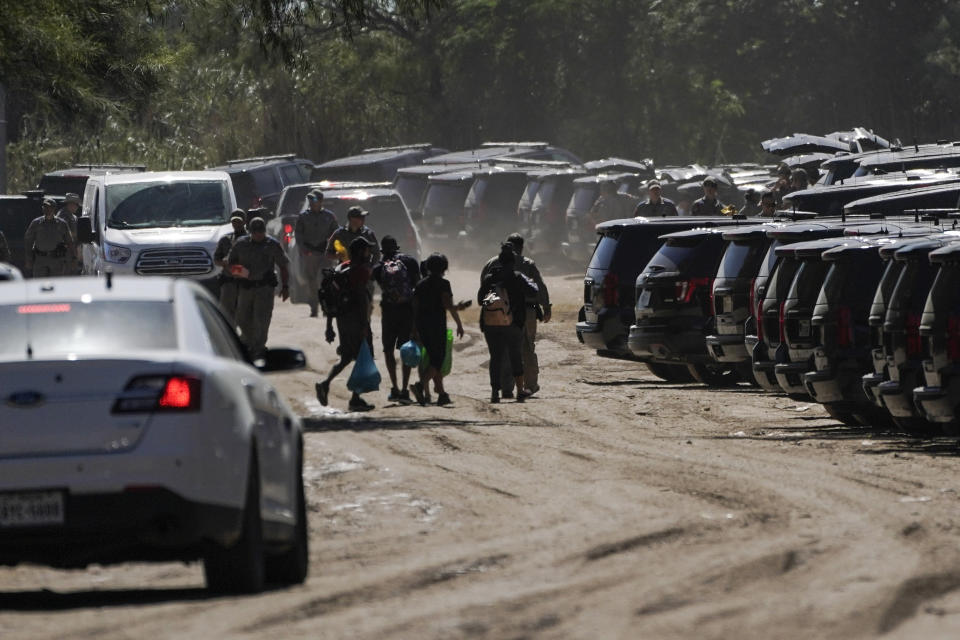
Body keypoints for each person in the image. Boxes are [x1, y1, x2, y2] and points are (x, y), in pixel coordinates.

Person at [480, 234, 551, 397]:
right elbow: (538, 287)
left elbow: (482, 292)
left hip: (497, 314)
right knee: (526, 348)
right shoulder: (526, 265)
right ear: (520, 248)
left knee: (501, 352)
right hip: (525, 313)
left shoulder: (490, 265)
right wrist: (546, 306)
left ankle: (505, 388)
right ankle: (530, 385)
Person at [316, 236, 378, 412]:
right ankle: (355, 398)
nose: (369, 253)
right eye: (367, 250)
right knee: (363, 357)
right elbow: (361, 299)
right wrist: (365, 324)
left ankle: (326, 385)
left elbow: (332, 297)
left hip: (342, 319)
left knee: (347, 357)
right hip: (356, 320)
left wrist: (329, 325)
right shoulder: (360, 271)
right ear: (360, 251)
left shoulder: (342, 267)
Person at [227, 217, 289, 360]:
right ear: (250, 232)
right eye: (255, 232)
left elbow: (283, 266)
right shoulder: (241, 244)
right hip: (246, 288)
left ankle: (259, 348)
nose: (258, 235)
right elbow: (230, 264)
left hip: (264, 288)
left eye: (260, 232)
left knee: (262, 319)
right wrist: (241, 272)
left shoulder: (272, 244)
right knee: (242, 319)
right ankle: (249, 343)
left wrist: (285, 286)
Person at [410, 253, 464, 407]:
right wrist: (459, 321)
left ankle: (441, 394)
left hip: (422, 326)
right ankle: (420, 386)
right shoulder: (444, 284)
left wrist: (414, 329)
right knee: (437, 359)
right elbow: (447, 304)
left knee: (433, 359)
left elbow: (415, 308)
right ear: (444, 268)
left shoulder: (420, 284)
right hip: (437, 326)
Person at [371, 235, 421, 404]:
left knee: (388, 349)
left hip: (389, 312)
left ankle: (394, 388)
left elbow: (379, 286)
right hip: (407, 311)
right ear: (397, 247)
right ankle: (405, 389)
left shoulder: (378, 267)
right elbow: (417, 287)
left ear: (382, 251)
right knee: (406, 349)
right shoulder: (410, 262)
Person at [294, 189, 339, 317]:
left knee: (327, 280)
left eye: (314, 200)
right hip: (310, 253)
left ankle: (327, 306)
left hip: (325, 252)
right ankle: (314, 307)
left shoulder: (329, 216)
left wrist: (333, 249)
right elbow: (298, 235)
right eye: (310, 200)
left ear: (320, 201)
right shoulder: (303, 217)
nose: (312, 203)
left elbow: (336, 233)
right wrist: (303, 250)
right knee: (311, 281)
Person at [214, 209, 248, 324]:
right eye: (234, 222)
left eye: (239, 222)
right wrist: (226, 264)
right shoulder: (225, 240)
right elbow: (216, 260)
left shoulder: (251, 239)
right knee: (226, 315)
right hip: (229, 283)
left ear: (244, 222)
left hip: (246, 283)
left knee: (245, 314)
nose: (236, 224)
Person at [24, 198, 73, 278]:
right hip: (40, 259)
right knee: (39, 285)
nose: (46, 209)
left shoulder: (61, 224)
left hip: (56, 260)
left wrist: (71, 259)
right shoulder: (36, 223)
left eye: (49, 207)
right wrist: (28, 259)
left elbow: (69, 241)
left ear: (54, 208)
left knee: (56, 285)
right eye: (44, 207)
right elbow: (28, 241)